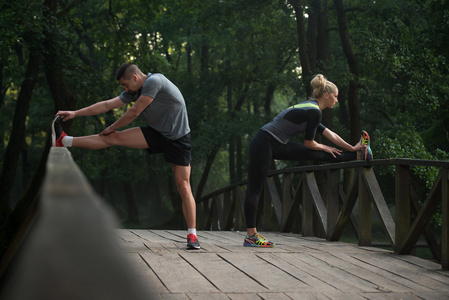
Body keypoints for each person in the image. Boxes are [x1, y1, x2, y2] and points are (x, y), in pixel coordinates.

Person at [52, 63, 201, 250]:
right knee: (112, 138)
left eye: (125, 84)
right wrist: (75, 113)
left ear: (135, 78)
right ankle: (64, 141)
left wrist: (111, 126)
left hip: (178, 138)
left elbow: (134, 112)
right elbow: (107, 105)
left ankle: (192, 235)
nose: (124, 89)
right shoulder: (134, 91)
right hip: (157, 133)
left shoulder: (155, 81)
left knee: (183, 186)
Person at [243, 74, 373, 247]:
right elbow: (309, 143)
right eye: (335, 96)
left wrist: (352, 147)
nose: (336, 100)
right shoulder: (314, 111)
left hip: (278, 144)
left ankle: (358, 154)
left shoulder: (312, 110)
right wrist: (323, 146)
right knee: (255, 187)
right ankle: (251, 236)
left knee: (317, 154)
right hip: (264, 142)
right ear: (326, 95)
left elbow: (330, 135)